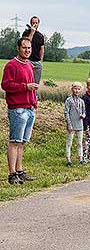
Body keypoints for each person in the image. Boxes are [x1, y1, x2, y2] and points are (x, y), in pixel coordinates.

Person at [1, 37, 38, 185]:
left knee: (22, 142)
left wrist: (34, 102)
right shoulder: (11, 65)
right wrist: (25, 87)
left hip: (29, 108)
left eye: (29, 48)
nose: (27, 50)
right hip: (17, 109)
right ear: (18, 48)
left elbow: (32, 86)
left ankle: (20, 171)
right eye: (24, 48)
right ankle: (12, 174)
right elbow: (6, 85)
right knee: (14, 142)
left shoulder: (29, 65)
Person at [64, 82, 86, 167]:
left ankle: (80, 158)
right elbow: (66, 113)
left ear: (81, 90)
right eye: (75, 88)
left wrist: (83, 115)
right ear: (72, 89)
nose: (76, 90)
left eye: (78, 89)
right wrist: (69, 124)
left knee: (79, 142)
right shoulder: (69, 100)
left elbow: (84, 112)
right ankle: (68, 159)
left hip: (80, 125)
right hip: (71, 125)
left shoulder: (81, 101)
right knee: (69, 142)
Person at [22, 16, 44, 84]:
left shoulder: (40, 35)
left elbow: (42, 49)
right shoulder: (26, 33)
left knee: (36, 83)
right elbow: (26, 43)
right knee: (27, 81)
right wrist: (32, 32)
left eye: (36, 23)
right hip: (28, 60)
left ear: (38, 24)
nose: (34, 24)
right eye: (33, 22)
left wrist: (41, 61)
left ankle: (35, 95)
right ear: (30, 23)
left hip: (37, 62)